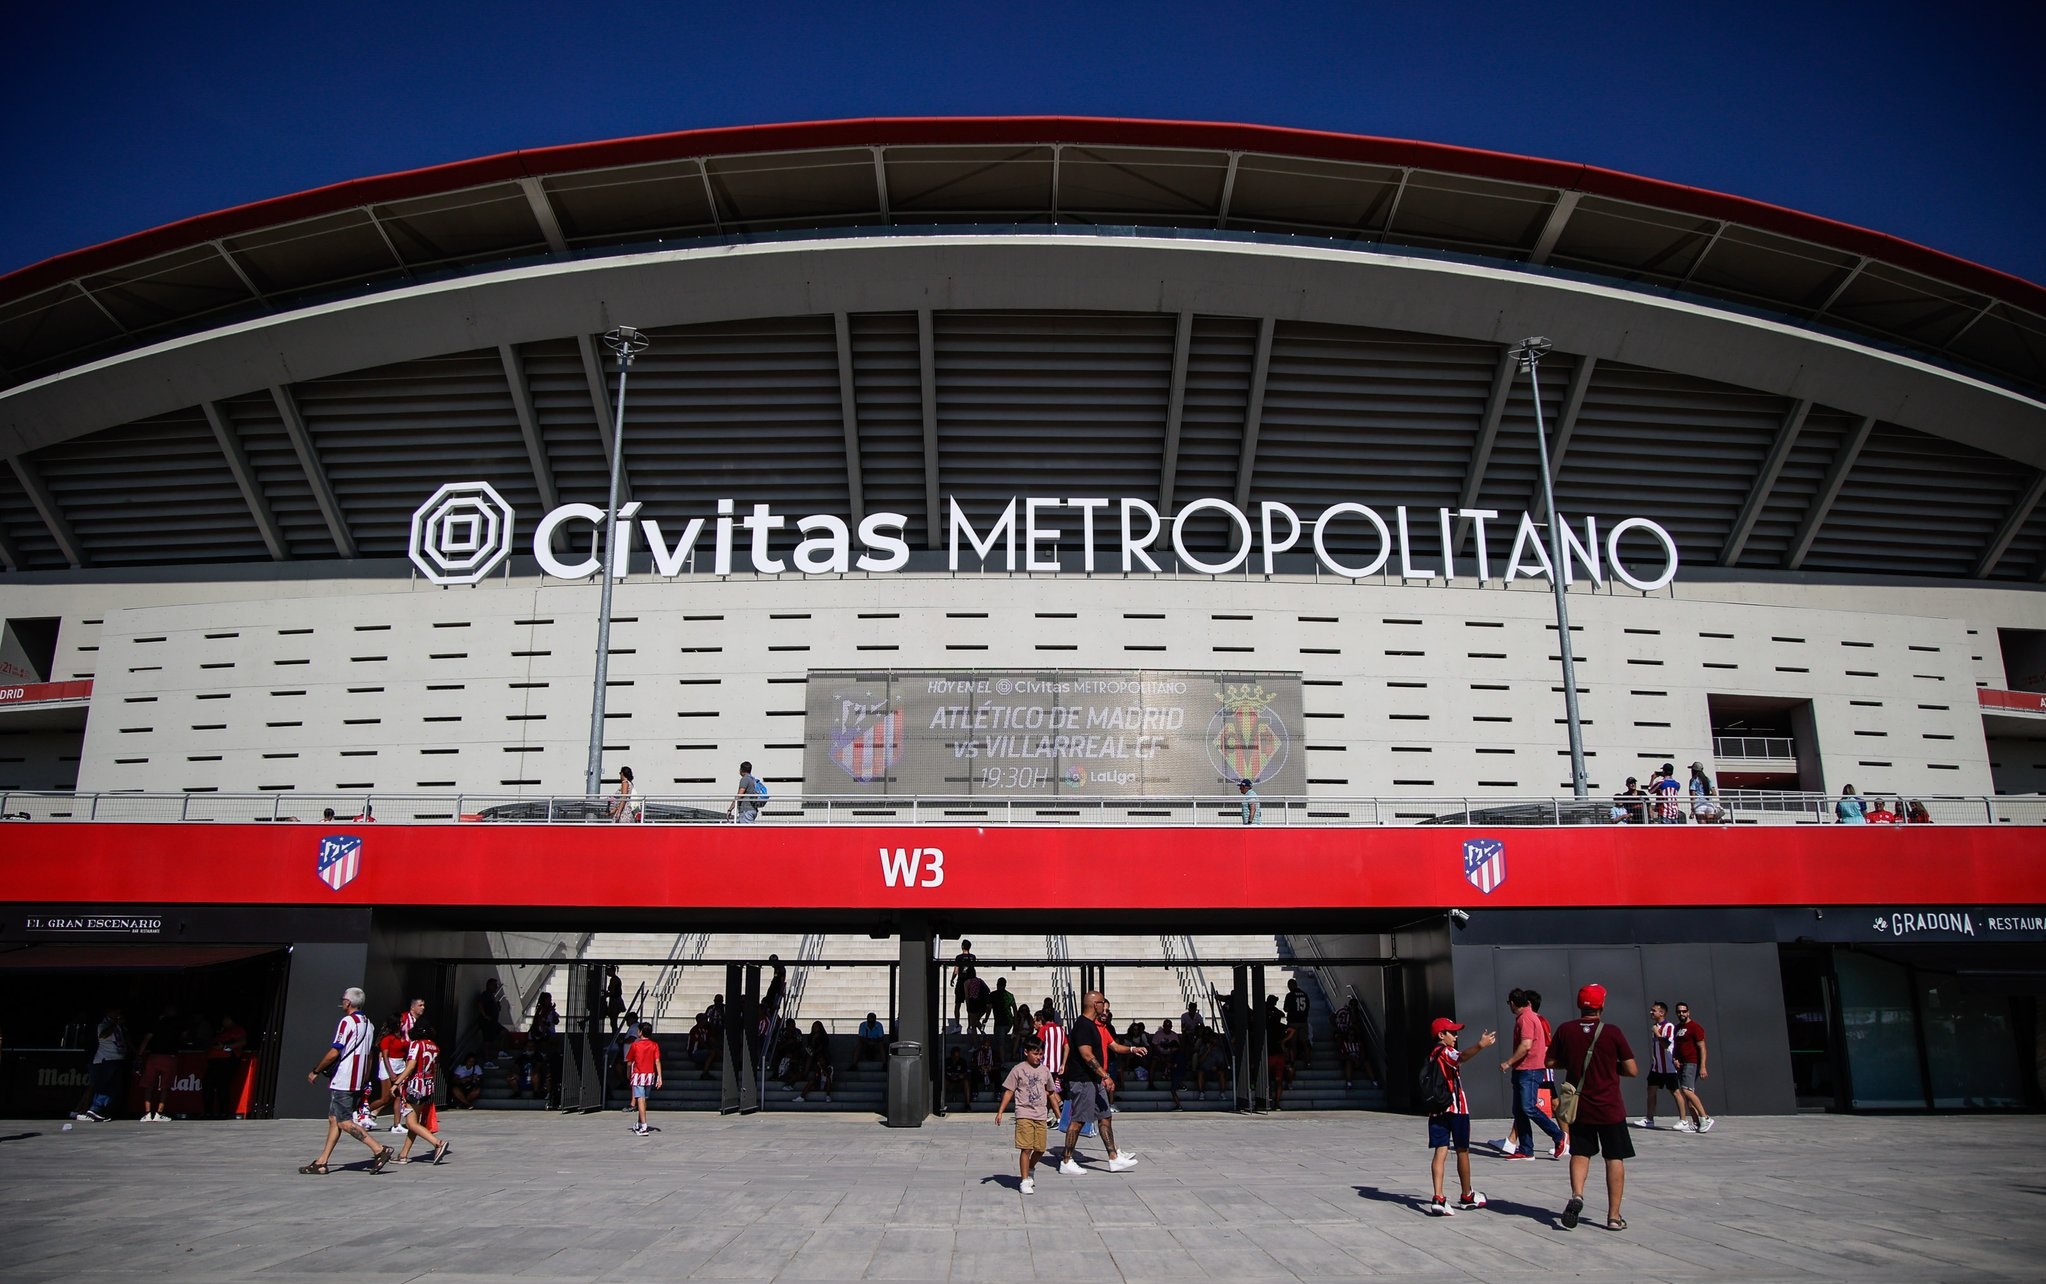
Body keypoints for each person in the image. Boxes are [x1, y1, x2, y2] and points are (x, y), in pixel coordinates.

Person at [1548, 983, 1639, 1231]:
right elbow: (1632, 1069)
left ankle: (1577, 1195)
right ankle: (1613, 1216)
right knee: (1614, 1157)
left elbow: (1550, 1060)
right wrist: (1611, 1066)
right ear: (1602, 1005)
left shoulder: (1566, 1030)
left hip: (1581, 1107)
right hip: (1610, 1107)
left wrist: (1573, 1063)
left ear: (1580, 1005)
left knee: (1580, 1153)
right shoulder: (1612, 1032)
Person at [301, 986, 396, 1174]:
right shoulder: (369, 1024)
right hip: (358, 1080)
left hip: (344, 1079)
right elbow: (369, 1055)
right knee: (334, 1119)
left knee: (344, 1122)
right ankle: (322, 1162)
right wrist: (365, 1079)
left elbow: (335, 1051)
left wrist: (316, 1070)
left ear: (348, 1003)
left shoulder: (347, 1022)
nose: (342, 1002)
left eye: (343, 999)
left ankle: (379, 1149)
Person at [1058, 990, 1143, 1174]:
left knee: (1105, 1116)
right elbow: (1087, 1055)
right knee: (1078, 1120)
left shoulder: (1093, 1026)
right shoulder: (1082, 1026)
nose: (1104, 1007)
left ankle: (1114, 1158)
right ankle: (1066, 1160)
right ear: (1093, 1004)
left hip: (1094, 1081)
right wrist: (1105, 1075)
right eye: (1102, 1002)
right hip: (1083, 1081)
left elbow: (1111, 1046)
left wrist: (1131, 1049)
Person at [1421, 1016, 1496, 1216]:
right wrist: (1480, 1045)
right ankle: (1466, 1195)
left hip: (1436, 1110)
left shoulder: (1432, 1055)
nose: (1455, 1036)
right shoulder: (1447, 1052)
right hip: (1456, 1109)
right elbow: (1461, 1057)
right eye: (1451, 1033)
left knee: (1440, 1150)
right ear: (1441, 1035)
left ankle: (1438, 1196)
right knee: (1462, 1151)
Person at [1493, 988, 1564, 1160]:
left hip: (1529, 1069)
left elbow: (1526, 1045)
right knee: (1519, 1110)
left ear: (1512, 1003)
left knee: (1528, 1107)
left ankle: (1559, 1136)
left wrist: (1508, 1062)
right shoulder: (1529, 1016)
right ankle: (1526, 1149)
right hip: (1523, 1069)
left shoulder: (1525, 1018)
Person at [995, 1036, 1062, 1193]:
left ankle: (1030, 1167)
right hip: (1024, 1112)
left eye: (1041, 1054)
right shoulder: (1018, 1070)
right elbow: (1009, 1091)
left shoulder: (1045, 1071)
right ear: (1026, 1052)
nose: (1039, 1057)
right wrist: (1000, 1111)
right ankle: (1024, 1180)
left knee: (1040, 1148)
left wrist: (1059, 1115)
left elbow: (1051, 1093)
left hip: (1041, 1114)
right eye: (1035, 1054)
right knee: (1026, 1148)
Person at [393, 1021, 451, 1165]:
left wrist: (397, 1082)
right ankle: (403, 1155)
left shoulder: (416, 1044)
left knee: (411, 1123)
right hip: (428, 1085)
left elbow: (411, 1065)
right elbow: (435, 1069)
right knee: (414, 1122)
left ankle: (437, 1143)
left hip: (415, 1086)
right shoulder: (434, 1047)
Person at [75, 1007, 127, 1122]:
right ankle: (94, 1109)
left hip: (117, 1058)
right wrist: (115, 1024)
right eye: (115, 1011)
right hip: (106, 1059)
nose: (117, 1013)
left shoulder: (118, 1025)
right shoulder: (104, 1024)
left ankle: (102, 1109)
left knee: (113, 1088)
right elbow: (102, 1035)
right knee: (104, 1086)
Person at [135, 1005, 184, 1122]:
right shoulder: (178, 1024)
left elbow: (146, 1039)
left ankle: (147, 1113)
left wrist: (139, 1054)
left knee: (149, 1085)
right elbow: (183, 1037)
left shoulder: (156, 1023)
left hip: (154, 1057)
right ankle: (159, 1113)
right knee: (165, 1087)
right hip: (169, 1058)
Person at [1671, 1002, 1714, 1133]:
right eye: (1679, 1011)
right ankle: (1696, 1123)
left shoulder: (1695, 1027)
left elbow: (1702, 1047)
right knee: (1689, 1095)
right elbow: (1676, 1047)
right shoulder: (1677, 1028)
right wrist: (1675, 1059)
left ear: (1688, 1012)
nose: (1681, 1014)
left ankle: (1705, 1118)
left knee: (1686, 1090)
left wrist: (1702, 1067)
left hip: (1692, 1063)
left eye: (1684, 1011)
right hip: (1681, 1064)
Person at [1635, 1001, 1679, 1128]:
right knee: (1651, 1090)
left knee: (1675, 1092)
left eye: (1653, 1010)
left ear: (1662, 1012)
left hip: (1669, 1067)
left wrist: (1657, 1033)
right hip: (1656, 1067)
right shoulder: (1656, 1026)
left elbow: (1666, 1045)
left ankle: (1683, 1120)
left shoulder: (1668, 1026)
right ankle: (1649, 1119)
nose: (1651, 1012)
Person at [204, 1013, 248, 1119]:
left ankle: (223, 1112)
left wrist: (224, 1046)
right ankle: (208, 1111)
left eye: (225, 1019)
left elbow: (242, 1042)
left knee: (222, 1085)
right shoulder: (221, 1030)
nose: (223, 1021)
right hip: (213, 1061)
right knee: (207, 1084)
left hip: (226, 1060)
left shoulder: (237, 1030)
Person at [625, 1020, 662, 1136]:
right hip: (650, 1075)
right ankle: (640, 1122)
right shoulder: (654, 1045)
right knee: (644, 1099)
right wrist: (659, 1076)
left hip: (638, 1074)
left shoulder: (635, 1045)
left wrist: (628, 1073)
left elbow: (629, 1061)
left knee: (640, 1098)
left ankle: (644, 1126)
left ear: (640, 1032)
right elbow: (657, 1061)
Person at [1262, 995, 1294, 1110]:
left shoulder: (1266, 1026)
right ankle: (1277, 1103)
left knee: (1268, 1079)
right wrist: (1283, 1041)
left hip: (1270, 1055)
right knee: (1278, 1081)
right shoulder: (1280, 1026)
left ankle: (1267, 1100)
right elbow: (1292, 1030)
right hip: (1279, 1055)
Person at [1150, 1019, 1184, 1109]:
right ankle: (1151, 1082)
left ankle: (1177, 1083)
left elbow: (1177, 1049)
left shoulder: (1174, 1037)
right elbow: (1154, 1046)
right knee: (1154, 1061)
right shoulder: (1158, 1034)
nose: (1167, 1028)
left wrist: (1170, 1061)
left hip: (1172, 1058)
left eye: (1169, 1026)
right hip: (1159, 1055)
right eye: (1166, 1026)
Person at [726, 759, 765, 823]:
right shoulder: (753, 779)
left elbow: (739, 795)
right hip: (752, 810)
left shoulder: (745, 779)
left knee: (746, 832)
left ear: (741, 770)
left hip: (746, 811)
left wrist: (730, 809)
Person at [1284, 978, 1312, 1064]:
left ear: (1290, 986)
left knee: (1293, 1042)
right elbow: (1308, 1007)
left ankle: (1293, 1062)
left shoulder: (1290, 995)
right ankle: (1308, 1061)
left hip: (1293, 1022)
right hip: (1303, 1021)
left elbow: (1286, 1009)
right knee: (1305, 1042)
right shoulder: (1304, 994)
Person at [950, 940, 978, 1023]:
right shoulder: (973, 957)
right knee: (970, 1005)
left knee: (957, 1004)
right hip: (970, 983)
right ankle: (970, 1026)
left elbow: (956, 971)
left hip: (961, 982)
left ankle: (957, 1025)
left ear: (962, 946)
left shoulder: (958, 957)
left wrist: (952, 979)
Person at [990, 978, 1018, 1059]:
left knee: (1000, 1042)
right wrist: (1015, 1020)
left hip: (1000, 1021)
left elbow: (989, 1007)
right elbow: (1015, 1009)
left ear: (997, 984)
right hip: (1008, 1020)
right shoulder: (1009, 995)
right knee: (1000, 1040)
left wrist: (986, 1018)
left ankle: (1002, 1061)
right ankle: (1000, 1058)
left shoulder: (993, 995)